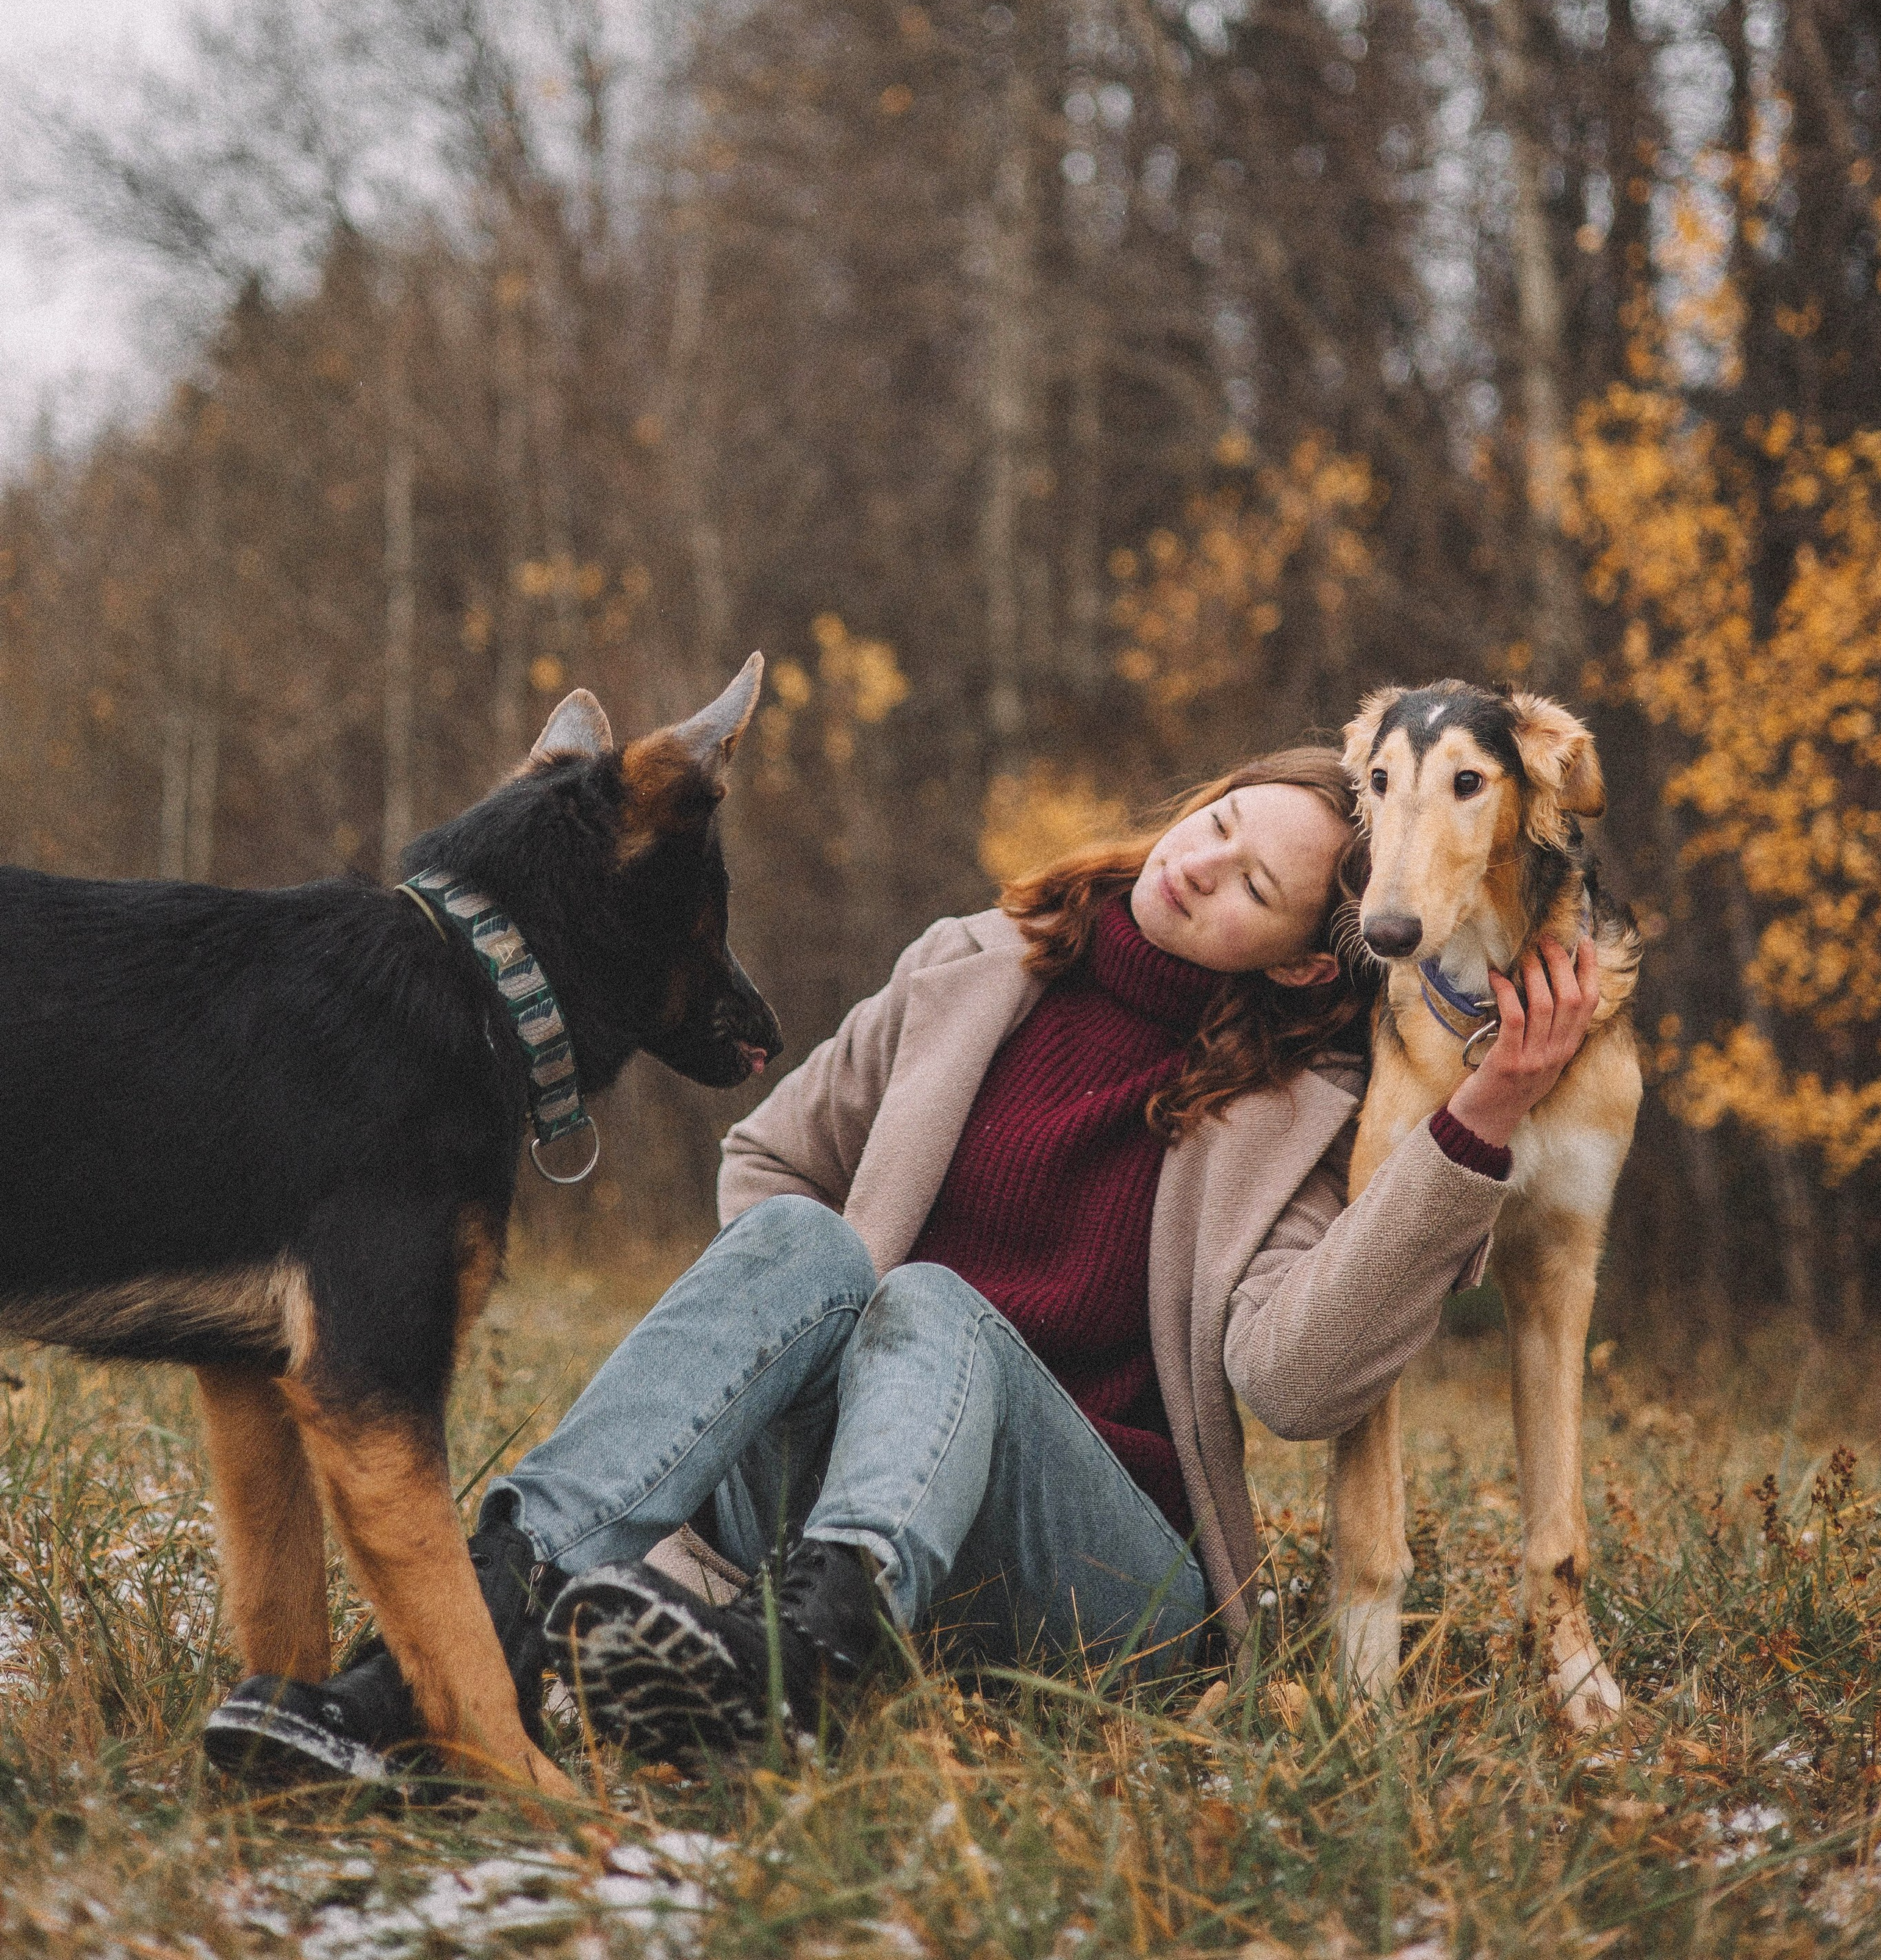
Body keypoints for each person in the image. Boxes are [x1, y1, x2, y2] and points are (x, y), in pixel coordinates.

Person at [210, 745, 1597, 1784]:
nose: (1200, 863)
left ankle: (811, 1653)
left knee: (931, 1300)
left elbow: (1297, 1385)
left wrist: (1469, 1131)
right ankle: (463, 1637)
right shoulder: (972, 966)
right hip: (835, 1494)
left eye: (1255, 887)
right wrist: (808, 1338)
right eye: (1217, 823)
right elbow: (766, 1164)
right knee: (813, 1241)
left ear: (1303, 966)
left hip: (1095, 1578)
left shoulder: (1303, 1110)